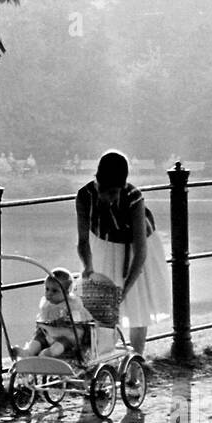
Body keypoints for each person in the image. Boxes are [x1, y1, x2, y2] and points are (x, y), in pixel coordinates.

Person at [75, 150, 171, 354]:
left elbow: (140, 253)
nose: (111, 198)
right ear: (98, 184)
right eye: (107, 192)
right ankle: (105, 361)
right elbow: (83, 241)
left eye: (116, 193)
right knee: (103, 309)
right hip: (104, 243)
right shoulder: (84, 196)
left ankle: (135, 365)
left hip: (135, 249)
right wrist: (88, 268)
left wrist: (124, 291)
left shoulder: (133, 198)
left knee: (137, 306)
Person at [17, 268, 93, 360]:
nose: (49, 294)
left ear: (67, 292)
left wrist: (65, 320)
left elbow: (77, 324)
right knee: (39, 338)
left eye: (54, 291)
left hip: (66, 335)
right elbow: (43, 319)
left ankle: (49, 353)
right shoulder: (47, 304)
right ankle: (29, 351)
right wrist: (43, 324)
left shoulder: (72, 305)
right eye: (47, 289)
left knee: (61, 344)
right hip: (49, 333)